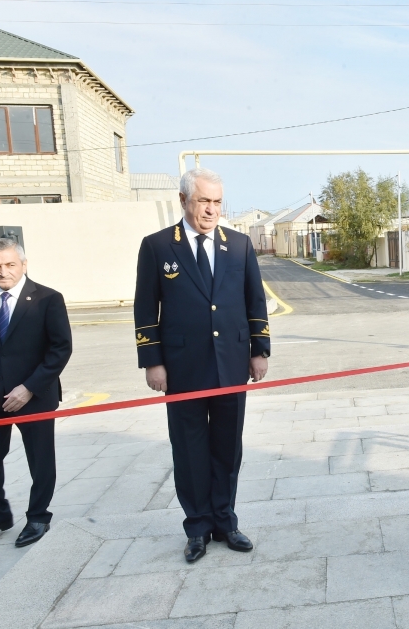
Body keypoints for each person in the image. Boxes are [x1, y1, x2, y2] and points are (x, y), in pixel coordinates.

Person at [134, 168, 270, 564]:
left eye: (217, 202)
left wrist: (259, 351)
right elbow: (145, 308)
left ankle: (225, 521)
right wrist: (152, 362)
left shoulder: (239, 245)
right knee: (189, 449)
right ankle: (197, 527)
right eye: (203, 201)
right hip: (182, 367)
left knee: (227, 447)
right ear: (183, 200)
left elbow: (255, 300)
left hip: (231, 362)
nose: (211, 209)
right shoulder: (158, 246)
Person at [0, 238, 72, 548]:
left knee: (40, 459)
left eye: (9, 264)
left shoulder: (48, 299)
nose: (2, 272)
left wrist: (29, 387)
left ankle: (38, 517)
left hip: (34, 395)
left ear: (23, 264)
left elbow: (60, 349)